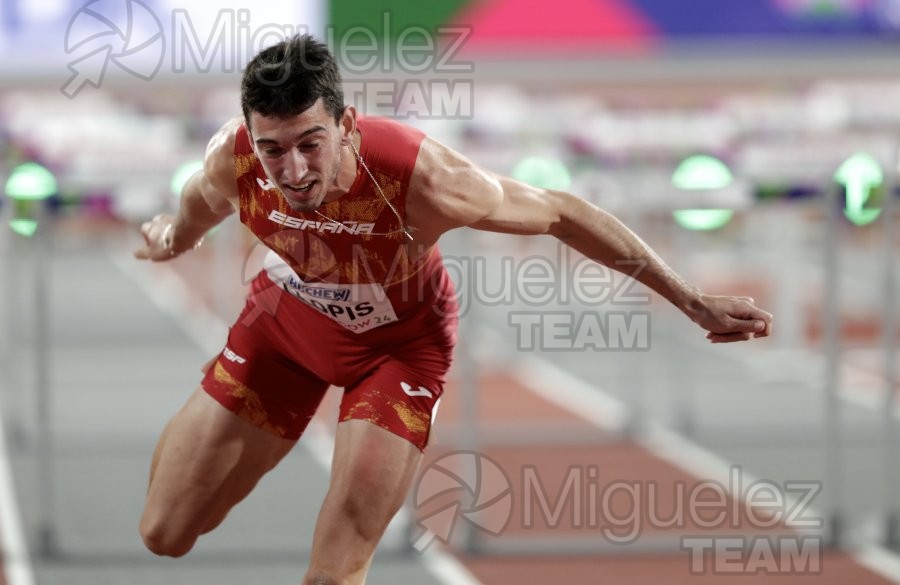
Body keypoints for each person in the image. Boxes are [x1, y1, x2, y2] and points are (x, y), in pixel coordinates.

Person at [133, 34, 773, 584]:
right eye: (273, 149)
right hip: (287, 328)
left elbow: (564, 214)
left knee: (335, 569)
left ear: (348, 125)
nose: (293, 170)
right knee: (165, 531)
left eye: (310, 143)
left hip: (397, 351)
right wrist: (171, 239)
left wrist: (690, 300)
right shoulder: (234, 161)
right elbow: (197, 207)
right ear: (250, 137)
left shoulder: (425, 180)